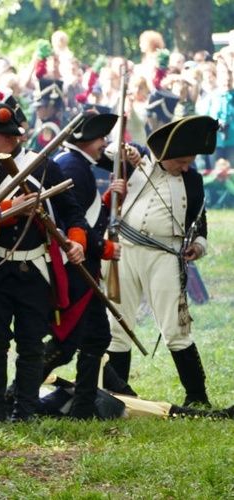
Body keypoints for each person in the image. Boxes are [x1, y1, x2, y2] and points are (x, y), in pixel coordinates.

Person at [0, 101, 87, 424]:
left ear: (7, 137)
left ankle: (25, 410)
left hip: (34, 269)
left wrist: (77, 243)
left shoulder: (44, 167)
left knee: (31, 345)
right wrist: (11, 208)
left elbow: (71, 212)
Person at [105, 115, 218, 407]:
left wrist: (198, 245)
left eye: (189, 161)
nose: (186, 166)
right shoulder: (135, 163)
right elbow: (105, 155)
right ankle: (117, 396)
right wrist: (124, 151)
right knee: (119, 326)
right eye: (181, 160)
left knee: (176, 330)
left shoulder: (192, 179)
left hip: (164, 257)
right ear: (166, 154)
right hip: (124, 252)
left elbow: (199, 220)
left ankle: (197, 395)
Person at [48, 110, 130, 418]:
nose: (104, 144)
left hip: (84, 266)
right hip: (76, 269)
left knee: (96, 335)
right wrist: (105, 247)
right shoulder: (73, 166)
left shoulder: (78, 165)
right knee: (65, 341)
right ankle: (19, 393)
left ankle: (83, 405)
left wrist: (108, 199)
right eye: (101, 139)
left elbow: (87, 215)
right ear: (87, 140)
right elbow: (73, 222)